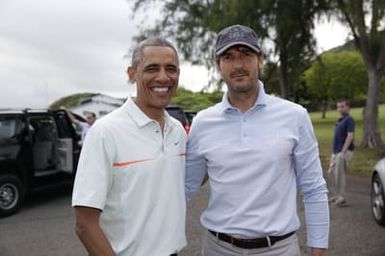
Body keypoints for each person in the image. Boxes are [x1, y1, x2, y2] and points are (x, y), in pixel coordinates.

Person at [185, 24, 329, 256]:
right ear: (218, 65)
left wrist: (319, 248)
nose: (238, 65)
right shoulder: (203, 122)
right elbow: (185, 187)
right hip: (218, 249)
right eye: (229, 57)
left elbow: (313, 188)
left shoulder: (294, 116)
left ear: (260, 59)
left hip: (279, 249)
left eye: (246, 55)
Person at [72, 38, 187, 256]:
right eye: (152, 68)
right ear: (132, 74)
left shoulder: (178, 131)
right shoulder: (105, 132)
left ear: (178, 75)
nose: (163, 77)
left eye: (170, 69)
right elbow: (84, 223)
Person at [328, 99, 355, 207]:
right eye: (338, 107)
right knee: (331, 173)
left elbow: (350, 136)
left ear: (348, 107)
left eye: (342, 106)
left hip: (343, 151)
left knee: (340, 174)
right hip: (336, 151)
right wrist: (334, 152)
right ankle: (336, 195)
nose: (340, 109)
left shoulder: (349, 119)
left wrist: (343, 151)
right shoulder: (339, 120)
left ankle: (341, 197)